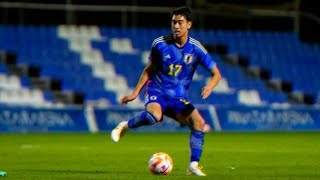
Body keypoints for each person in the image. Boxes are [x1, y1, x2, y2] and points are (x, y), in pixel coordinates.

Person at [111, 6, 221, 176]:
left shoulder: (196, 48)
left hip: (178, 97)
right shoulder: (160, 44)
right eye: (173, 22)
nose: (176, 26)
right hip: (157, 89)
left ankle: (193, 165)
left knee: (198, 123)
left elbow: (216, 74)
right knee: (153, 115)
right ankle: (125, 125)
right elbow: (148, 70)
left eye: (180, 22)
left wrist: (209, 86)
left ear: (189, 25)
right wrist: (135, 93)